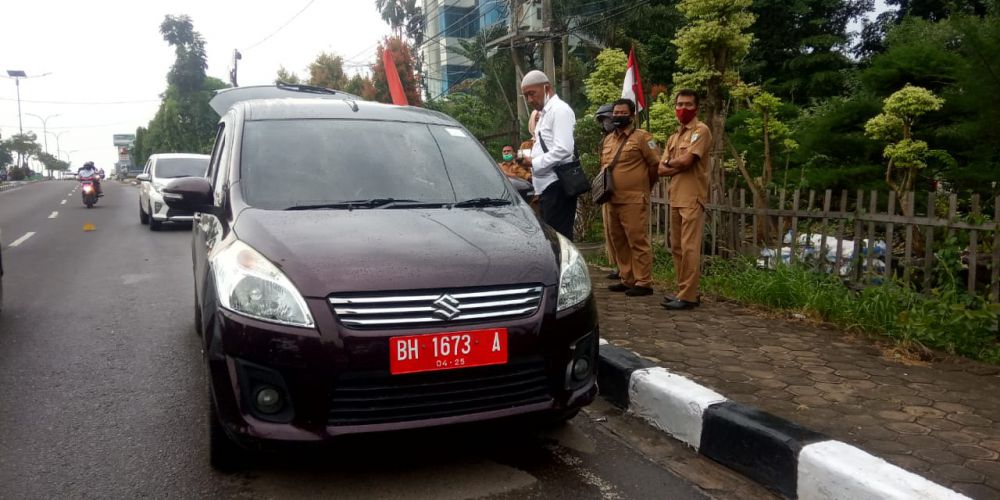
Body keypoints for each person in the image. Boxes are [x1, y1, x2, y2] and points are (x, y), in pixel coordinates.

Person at [659, 89, 713, 310]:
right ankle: (684, 290)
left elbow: (687, 161)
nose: (683, 109)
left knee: (690, 248)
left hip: (692, 197)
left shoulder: (701, 131)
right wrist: (674, 163)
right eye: (680, 104)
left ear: (697, 108)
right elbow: (660, 169)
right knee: (677, 247)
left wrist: (673, 163)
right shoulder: (675, 136)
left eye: (688, 104)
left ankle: (689, 297)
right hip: (676, 197)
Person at [602, 98, 661, 297]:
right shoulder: (609, 139)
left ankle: (644, 282)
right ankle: (627, 278)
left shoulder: (643, 138)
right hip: (612, 199)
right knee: (618, 240)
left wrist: (645, 186)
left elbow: (655, 166)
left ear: (632, 115)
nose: (618, 116)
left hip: (634, 199)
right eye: (615, 113)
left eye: (622, 113)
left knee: (637, 240)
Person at [517, 70, 578, 240]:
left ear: (547, 88)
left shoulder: (559, 110)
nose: (529, 100)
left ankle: (562, 267)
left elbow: (564, 148)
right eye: (526, 96)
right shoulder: (545, 113)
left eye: (532, 93)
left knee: (560, 240)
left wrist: (534, 162)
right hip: (547, 187)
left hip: (557, 185)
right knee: (552, 239)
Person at [594, 104, 620, 280]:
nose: (606, 123)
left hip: (624, 193)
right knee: (611, 232)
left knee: (627, 235)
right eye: (603, 120)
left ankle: (630, 271)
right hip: (607, 191)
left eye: (608, 119)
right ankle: (619, 266)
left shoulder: (627, 138)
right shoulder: (605, 141)